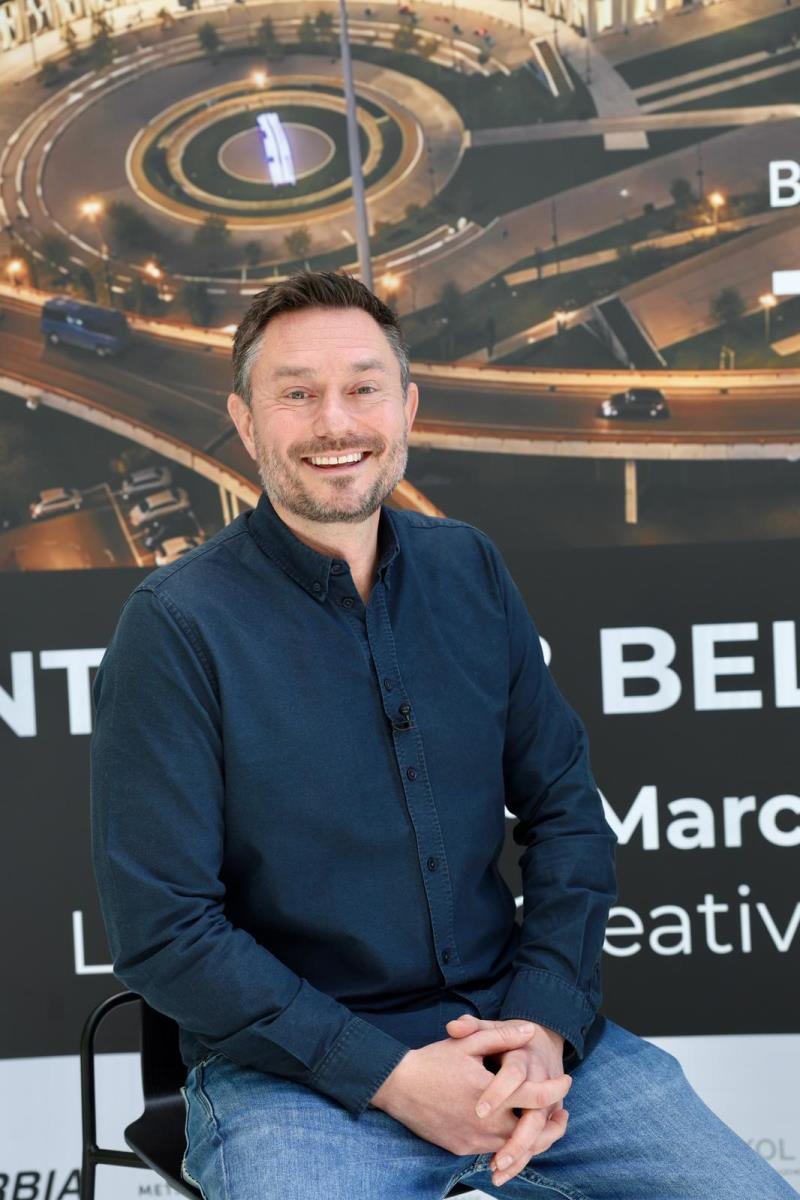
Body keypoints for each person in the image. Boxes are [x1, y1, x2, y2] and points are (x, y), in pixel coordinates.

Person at [90, 271, 796, 1200]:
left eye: (364, 387)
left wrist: (542, 1025)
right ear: (246, 421)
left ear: (407, 407)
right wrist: (390, 1076)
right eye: (297, 394)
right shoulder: (176, 624)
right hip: (297, 1079)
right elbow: (165, 931)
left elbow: (568, 816)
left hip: (514, 1040)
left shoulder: (470, 569)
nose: (336, 423)